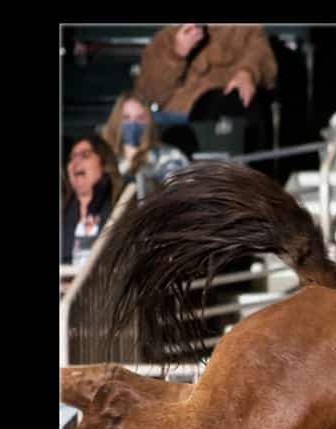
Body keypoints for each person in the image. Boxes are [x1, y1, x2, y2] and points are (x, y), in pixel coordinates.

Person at [134, 24, 277, 164]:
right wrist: (175, 54)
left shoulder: (245, 30)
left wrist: (248, 73)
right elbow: (148, 93)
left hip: (224, 120)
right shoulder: (167, 38)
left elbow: (262, 56)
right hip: (177, 121)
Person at [99, 92, 190, 191]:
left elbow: (180, 190)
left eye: (140, 118)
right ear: (116, 121)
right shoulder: (101, 157)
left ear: (149, 122)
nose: (133, 124)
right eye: (126, 118)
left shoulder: (169, 156)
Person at [61, 135, 123, 268]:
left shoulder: (122, 207)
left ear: (104, 163)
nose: (75, 162)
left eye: (85, 155)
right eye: (72, 157)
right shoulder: (63, 213)